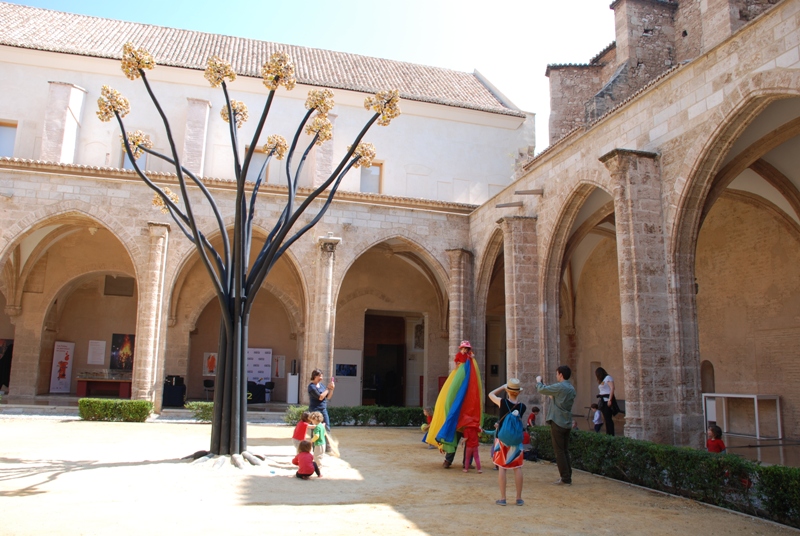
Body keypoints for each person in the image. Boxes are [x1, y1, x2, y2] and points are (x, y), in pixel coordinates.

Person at [488, 378, 527, 506]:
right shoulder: (522, 407)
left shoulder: (503, 403)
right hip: (516, 441)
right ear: (518, 392)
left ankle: (503, 498)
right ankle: (519, 498)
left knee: (502, 468)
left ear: (508, 391)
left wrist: (502, 387)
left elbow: (491, 394)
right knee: (517, 468)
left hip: (502, 439)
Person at [536, 365, 576, 486]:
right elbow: (560, 400)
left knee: (559, 451)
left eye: (557, 374)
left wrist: (538, 381)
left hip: (558, 421)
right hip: (567, 421)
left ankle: (565, 478)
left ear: (561, 375)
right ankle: (568, 475)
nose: (556, 376)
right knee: (564, 450)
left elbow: (541, 389)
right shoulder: (571, 388)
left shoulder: (560, 387)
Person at [308, 368, 335, 432]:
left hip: (323, 409)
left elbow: (328, 397)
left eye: (322, 376)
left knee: (327, 427)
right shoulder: (311, 387)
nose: (321, 378)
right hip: (315, 410)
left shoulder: (322, 385)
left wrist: (332, 389)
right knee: (315, 428)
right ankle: (314, 441)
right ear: (315, 376)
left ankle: (327, 441)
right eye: (320, 376)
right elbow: (320, 397)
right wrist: (328, 388)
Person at [595, 366, 616, 436]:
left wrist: (610, 400)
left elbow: (612, 388)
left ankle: (611, 434)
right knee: (606, 418)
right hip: (603, 400)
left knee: (608, 418)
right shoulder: (602, 380)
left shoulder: (608, 378)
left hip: (607, 399)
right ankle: (608, 433)